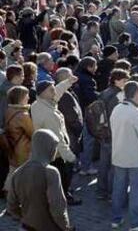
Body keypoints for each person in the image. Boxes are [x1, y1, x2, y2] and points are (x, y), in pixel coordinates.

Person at [7, 129, 74, 231]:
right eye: (54, 147)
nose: (55, 151)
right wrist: (66, 228)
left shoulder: (18, 173)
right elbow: (57, 209)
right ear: (47, 148)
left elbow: (11, 206)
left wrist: (26, 217)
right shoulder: (50, 172)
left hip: (26, 226)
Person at [110, 81, 138, 231]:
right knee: (136, 191)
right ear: (136, 93)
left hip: (118, 156)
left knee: (118, 189)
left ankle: (116, 219)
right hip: (136, 159)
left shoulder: (116, 109)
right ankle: (135, 223)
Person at [31, 76, 80, 205]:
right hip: (56, 152)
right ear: (43, 93)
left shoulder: (39, 103)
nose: (54, 92)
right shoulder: (49, 114)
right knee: (62, 177)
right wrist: (70, 157)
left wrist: (67, 82)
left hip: (45, 149)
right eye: (51, 90)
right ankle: (63, 198)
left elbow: (56, 91)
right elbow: (58, 139)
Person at [97, 68, 130, 200]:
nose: (126, 83)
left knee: (103, 164)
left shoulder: (104, 92)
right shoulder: (117, 96)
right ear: (116, 80)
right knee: (114, 166)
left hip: (103, 132)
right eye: (124, 80)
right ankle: (112, 192)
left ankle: (101, 190)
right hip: (113, 134)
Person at [3, 86, 33, 191]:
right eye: (26, 95)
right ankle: (19, 197)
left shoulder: (9, 110)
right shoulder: (23, 115)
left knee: (12, 172)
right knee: (23, 175)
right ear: (21, 97)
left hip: (12, 146)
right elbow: (32, 133)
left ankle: (9, 194)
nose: (28, 97)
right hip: (23, 150)